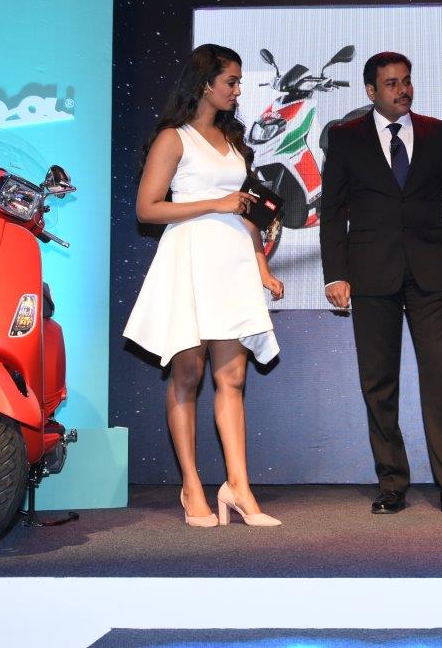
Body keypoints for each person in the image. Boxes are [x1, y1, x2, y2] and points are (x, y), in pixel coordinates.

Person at [320, 51, 442, 515]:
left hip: (429, 270)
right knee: (379, 381)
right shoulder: (345, 138)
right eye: (392, 83)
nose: (403, 90)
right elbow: (332, 213)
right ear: (371, 91)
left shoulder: (438, 133)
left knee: (440, 374)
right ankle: (392, 483)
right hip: (370, 273)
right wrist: (335, 273)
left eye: (407, 81)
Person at [124, 44, 286, 528]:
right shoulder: (174, 138)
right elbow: (148, 208)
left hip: (232, 265)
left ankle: (238, 487)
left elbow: (247, 211)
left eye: (238, 82)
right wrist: (215, 203)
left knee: (232, 378)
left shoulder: (234, 143)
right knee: (188, 374)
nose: (238, 91)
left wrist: (261, 267)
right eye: (231, 81)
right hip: (190, 260)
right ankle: (191, 486)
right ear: (204, 84)